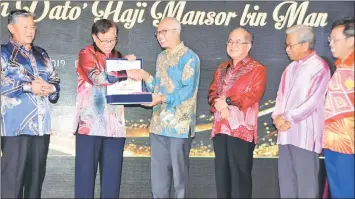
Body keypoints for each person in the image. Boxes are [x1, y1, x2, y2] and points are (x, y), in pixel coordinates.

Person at [74, 19, 141, 198]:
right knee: (84, 179)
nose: (110, 44)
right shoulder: (85, 53)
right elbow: (97, 77)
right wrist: (126, 72)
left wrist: (129, 65)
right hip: (90, 125)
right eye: (105, 41)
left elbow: (127, 85)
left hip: (115, 127)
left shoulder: (118, 56)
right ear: (95, 37)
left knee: (112, 181)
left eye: (113, 40)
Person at [1, 9, 60, 198]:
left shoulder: (41, 53)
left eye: (32, 27)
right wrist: (29, 87)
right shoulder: (3, 53)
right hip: (15, 128)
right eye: (25, 27)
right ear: (11, 27)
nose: (30, 31)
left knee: (35, 185)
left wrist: (51, 88)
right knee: (12, 184)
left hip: (41, 128)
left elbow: (55, 81)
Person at [138, 17, 200, 198]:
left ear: (176, 32)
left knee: (179, 181)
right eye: (158, 32)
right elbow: (157, 86)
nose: (159, 36)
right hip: (158, 125)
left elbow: (188, 91)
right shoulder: (161, 57)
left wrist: (162, 98)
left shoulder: (190, 57)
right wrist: (143, 76)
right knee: (158, 181)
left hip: (178, 126)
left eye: (163, 32)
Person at [272, 24, 331, 198]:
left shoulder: (319, 67)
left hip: (305, 135)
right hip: (285, 134)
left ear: (305, 44)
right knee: (287, 185)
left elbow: (313, 101)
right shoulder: (289, 69)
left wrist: (288, 118)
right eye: (286, 46)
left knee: (306, 186)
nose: (287, 49)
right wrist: (276, 117)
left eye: (290, 45)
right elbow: (280, 97)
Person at [208, 27, 267, 198]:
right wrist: (218, 104)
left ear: (248, 46)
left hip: (241, 131)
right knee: (222, 178)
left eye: (237, 42)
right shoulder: (221, 68)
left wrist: (227, 102)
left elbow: (253, 94)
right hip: (220, 128)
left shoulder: (257, 68)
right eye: (230, 41)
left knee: (240, 179)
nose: (232, 45)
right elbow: (212, 92)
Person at [323, 17, 354, 198]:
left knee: (348, 190)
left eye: (335, 40)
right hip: (332, 141)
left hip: (349, 144)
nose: (331, 44)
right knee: (338, 191)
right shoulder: (341, 67)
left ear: (351, 41)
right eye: (330, 41)